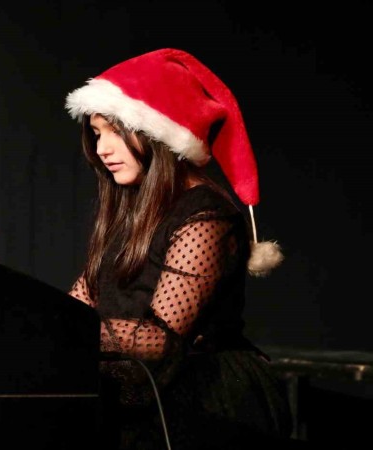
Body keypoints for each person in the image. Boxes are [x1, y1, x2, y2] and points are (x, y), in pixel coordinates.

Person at [63, 48, 294, 449]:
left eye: (115, 131)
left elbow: (162, 339)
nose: (102, 149)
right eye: (97, 133)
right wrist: (40, 325)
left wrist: (68, 331)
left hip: (202, 398)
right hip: (140, 382)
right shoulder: (128, 210)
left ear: (158, 134)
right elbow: (78, 304)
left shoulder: (206, 215)